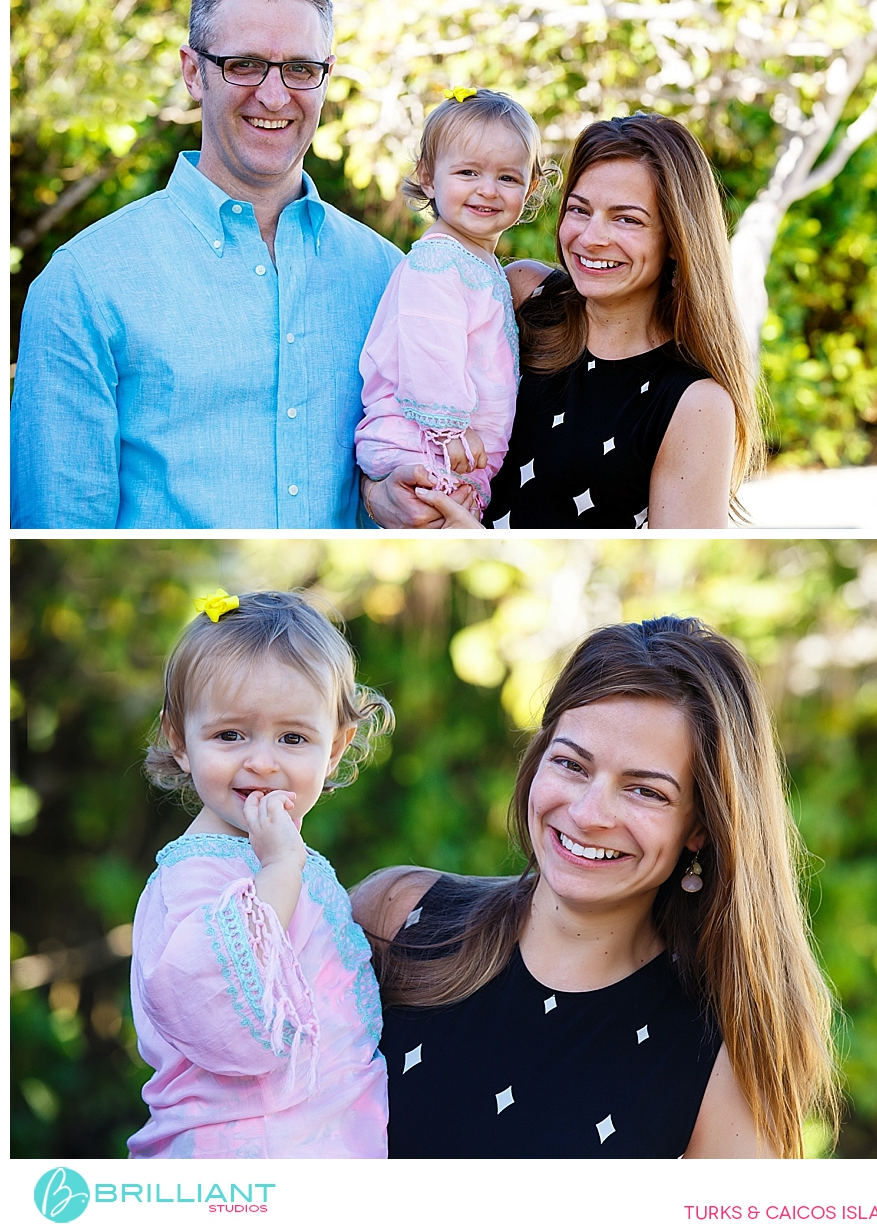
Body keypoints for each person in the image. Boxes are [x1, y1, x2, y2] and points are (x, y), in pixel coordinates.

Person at [351, 617, 839, 1158]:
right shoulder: (396, 916)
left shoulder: (719, 1058)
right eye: (571, 764)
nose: (588, 814)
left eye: (645, 791)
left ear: (701, 826)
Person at [11, 0, 402, 529]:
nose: (275, 96)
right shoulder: (85, 283)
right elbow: (55, 531)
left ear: (327, 75)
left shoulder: (388, 277)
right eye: (245, 65)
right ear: (193, 72)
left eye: (300, 69)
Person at [376, 112, 766, 530]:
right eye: (579, 210)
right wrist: (378, 494)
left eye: (627, 219)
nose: (591, 237)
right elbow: (396, 396)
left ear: (676, 238)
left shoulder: (697, 404)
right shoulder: (522, 295)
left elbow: (680, 566)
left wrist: (475, 544)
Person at [128, 590, 393, 1158]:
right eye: (230, 735)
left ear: (335, 748)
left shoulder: (277, 856)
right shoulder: (195, 875)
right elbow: (219, 1010)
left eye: (293, 738)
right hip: (247, 1153)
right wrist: (279, 868)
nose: (262, 762)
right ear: (179, 740)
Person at [356, 88, 557, 522]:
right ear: (428, 177)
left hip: (455, 455)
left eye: (508, 178)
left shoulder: (475, 261)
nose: (488, 190)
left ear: (530, 188)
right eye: (468, 172)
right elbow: (430, 352)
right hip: (424, 445)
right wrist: (450, 431)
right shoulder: (438, 261)